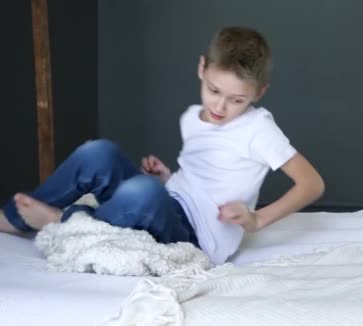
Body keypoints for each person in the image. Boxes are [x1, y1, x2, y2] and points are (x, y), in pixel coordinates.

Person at [0, 26, 325, 264]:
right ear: (201, 68)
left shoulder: (258, 128)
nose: (221, 107)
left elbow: (312, 183)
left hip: (200, 237)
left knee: (142, 192)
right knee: (98, 152)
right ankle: (13, 219)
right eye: (213, 90)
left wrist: (257, 220)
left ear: (259, 92)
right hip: (169, 203)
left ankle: (66, 223)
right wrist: (168, 179)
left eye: (237, 99)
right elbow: (202, 182)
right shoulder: (192, 118)